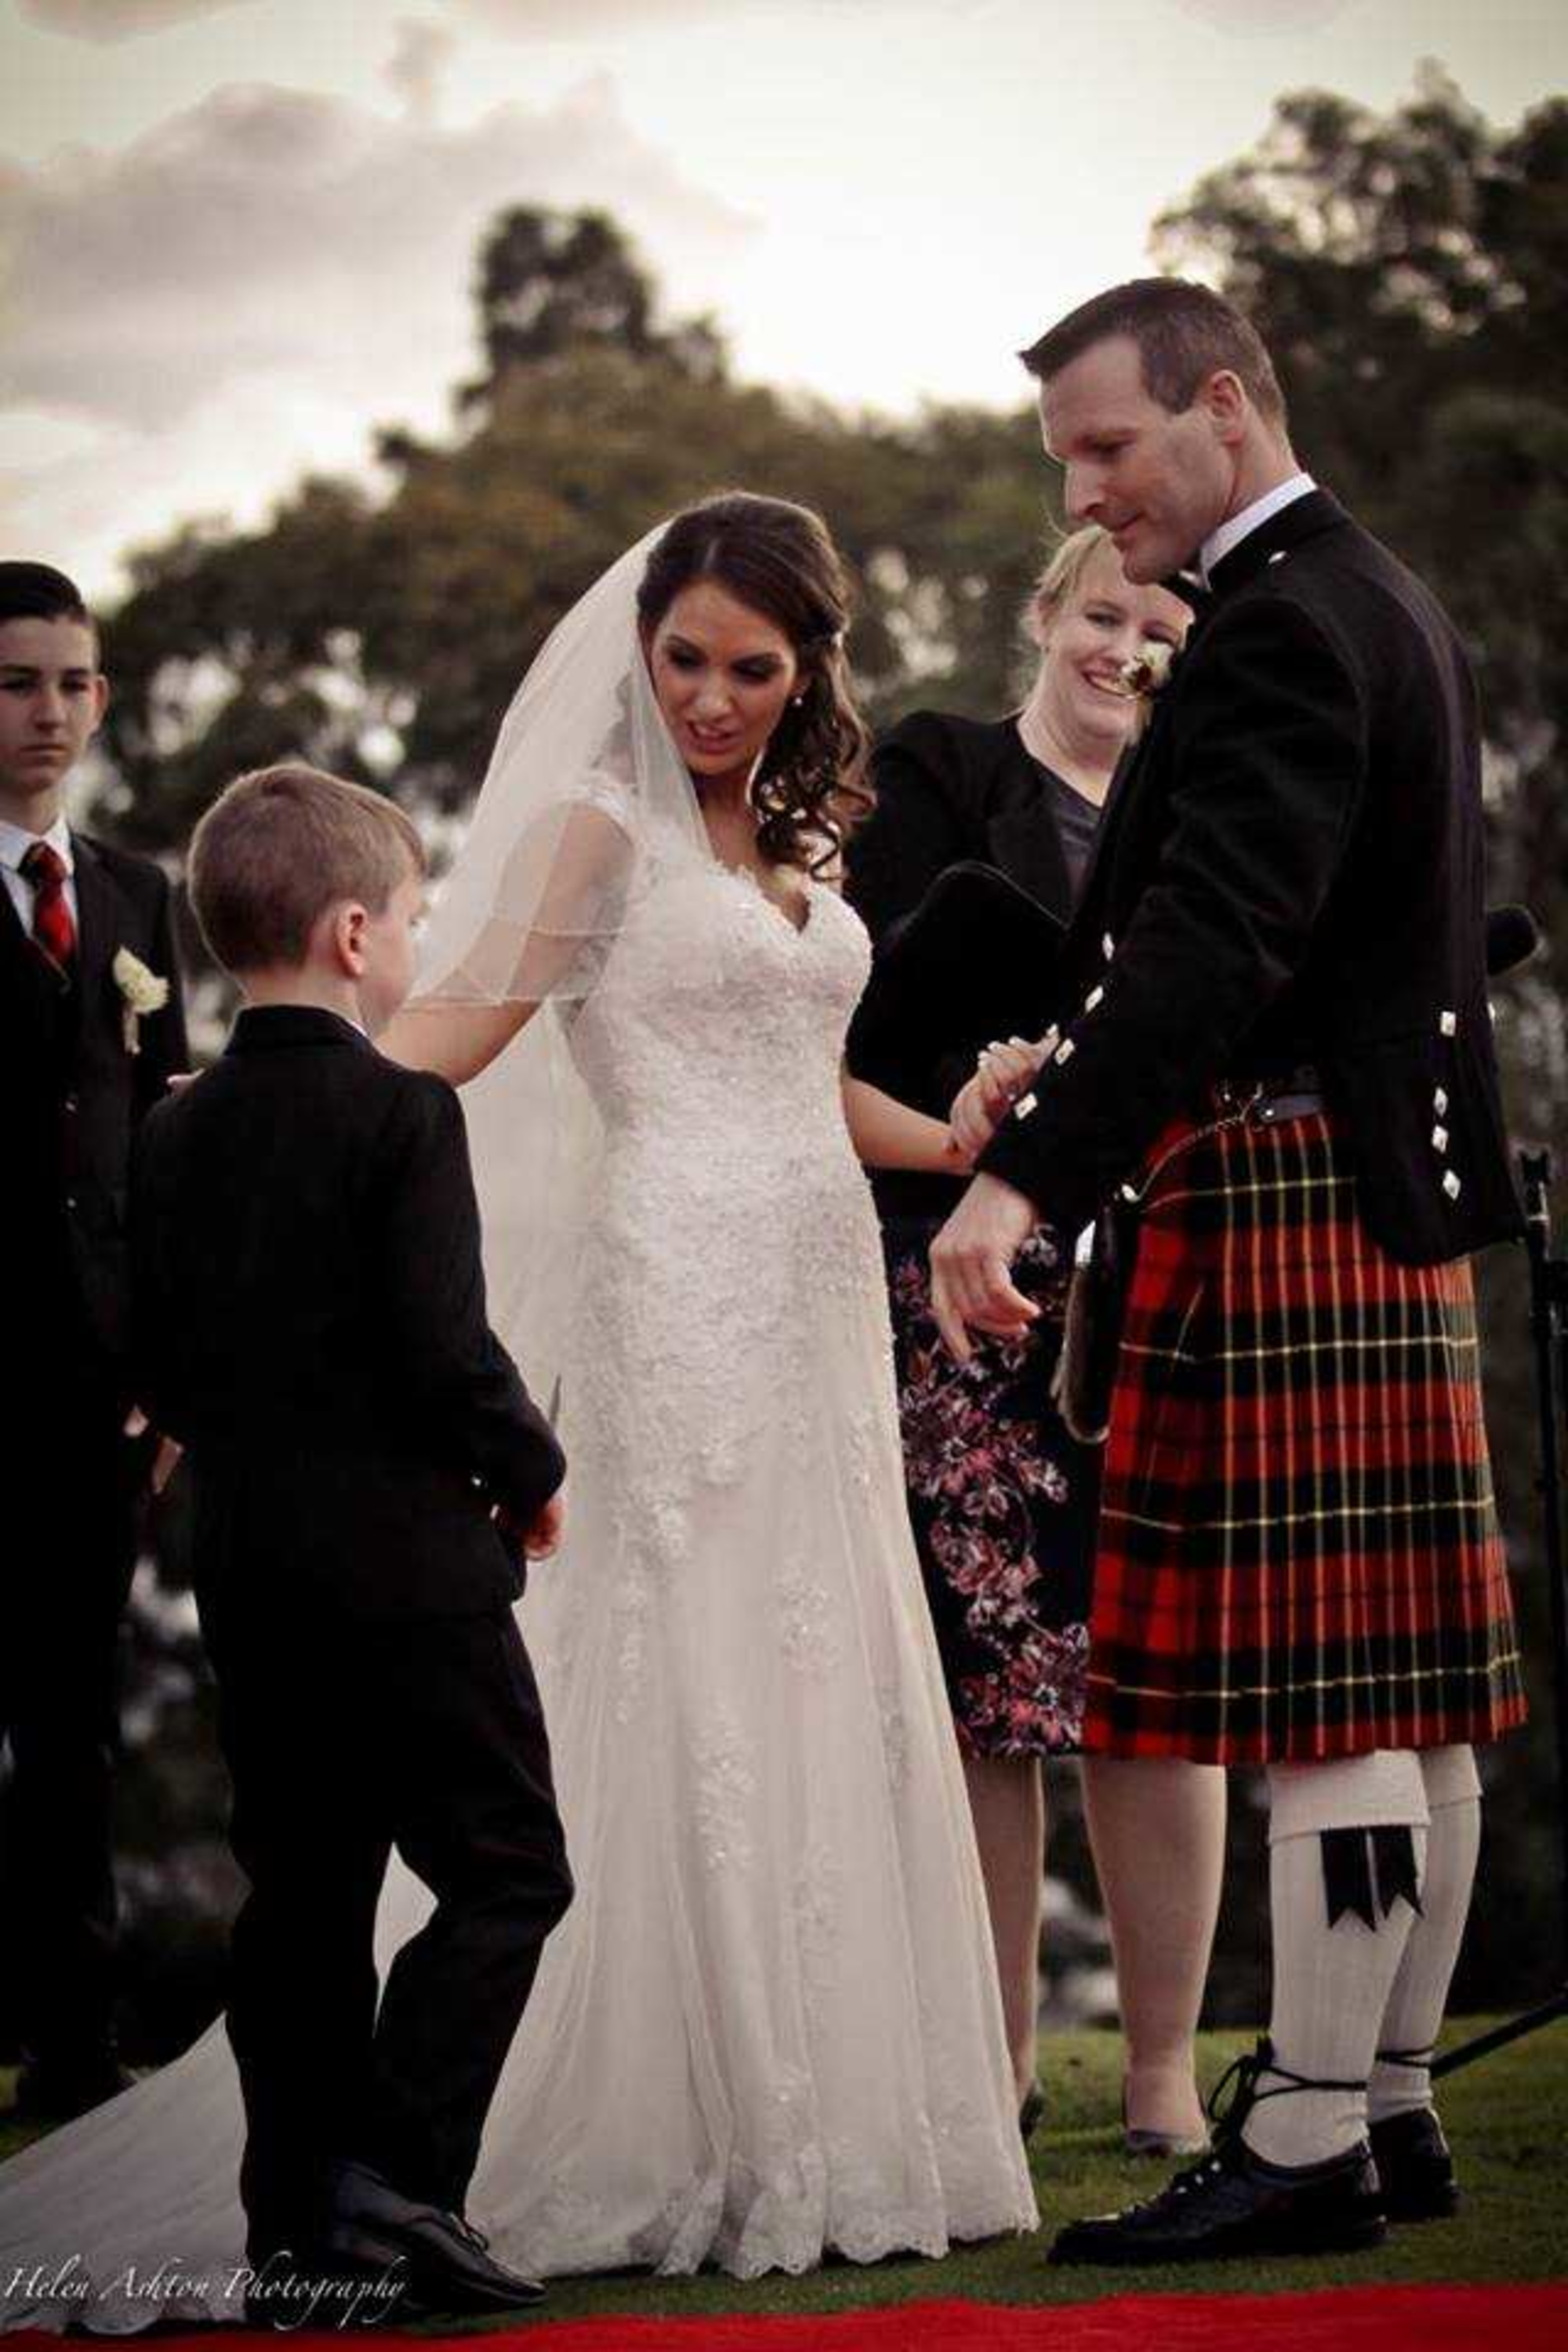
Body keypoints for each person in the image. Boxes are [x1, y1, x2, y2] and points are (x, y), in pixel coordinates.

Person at [0, 495, 1033, 2325]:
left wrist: (953, 1134)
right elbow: (462, 1018)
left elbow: (809, 1085)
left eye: (752, 669)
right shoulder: (592, 831)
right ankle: (527, 2149)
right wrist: (279, 1115)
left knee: (816, 1667)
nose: (709, 699)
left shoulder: (798, 830)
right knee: (670, 1684)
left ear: (809, 676)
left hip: (814, 1307)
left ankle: (818, 2112)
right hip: (674, 1300)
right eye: (685, 660)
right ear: (642, 649)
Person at [932, 280, 1526, 2266]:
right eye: (1067, 467)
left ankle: (1296, 2135)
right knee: (1410, 1698)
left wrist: (1017, 1176)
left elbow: (1220, 937)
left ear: (1219, 409)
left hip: (1282, 1183)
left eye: (1107, 450)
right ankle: (1390, 2100)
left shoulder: (1277, 622)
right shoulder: (1388, 598)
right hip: (1370, 1185)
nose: (1088, 499)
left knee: (1336, 1690)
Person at [133, 764, 572, 2321]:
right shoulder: (402, 1112)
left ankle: (290, 2228)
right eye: (404, 921)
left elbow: (164, 1368)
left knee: (303, 1899)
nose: (407, 946)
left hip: (250, 1570)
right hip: (412, 1575)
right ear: (349, 934)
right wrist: (530, 1465)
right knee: (510, 1868)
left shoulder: (172, 1137)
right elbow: (446, 1352)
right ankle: (392, 2180)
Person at [844, 525, 1222, 2155]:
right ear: (1043, 617)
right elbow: (842, 1011)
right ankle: (987, 2065)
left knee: (1157, 1685)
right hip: (961, 1285)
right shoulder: (938, 775)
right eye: (1098, 613)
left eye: (1153, 628)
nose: (1122, 648)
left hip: (1158, 1285)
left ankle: (1158, 2076)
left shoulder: (1203, 812)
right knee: (983, 1691)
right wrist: (966, 1106)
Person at [0, 561, 189, 2124]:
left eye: (69, 683)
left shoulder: (138, 897)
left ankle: (72, 2041)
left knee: (75, 1717)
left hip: (100, 1395)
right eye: (14, 683)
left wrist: (176, 1367)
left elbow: (177, 1136)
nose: (46, 713)